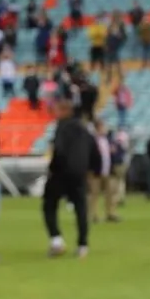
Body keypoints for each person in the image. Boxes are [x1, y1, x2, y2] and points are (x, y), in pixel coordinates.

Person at [42, 99, 93, 258]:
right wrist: (89, 169)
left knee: (49, 205)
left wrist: (52, 169)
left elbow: (59, 150)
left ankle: (57, 241)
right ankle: (83, 245)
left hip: (61, 172)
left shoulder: (62, 127)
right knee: (81, 208)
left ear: (65, 111)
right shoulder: (84, 129)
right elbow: (93, 148)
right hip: (79, 174)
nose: (55, 114)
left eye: (57, 110)